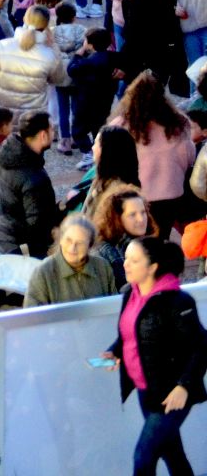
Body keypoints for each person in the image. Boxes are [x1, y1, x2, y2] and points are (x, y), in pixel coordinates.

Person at [103, 236, 206, 476]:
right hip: (145, 389)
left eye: (134, 260)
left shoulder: (177, 301)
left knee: (143, 456)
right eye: (126, 258)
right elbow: (129, 335)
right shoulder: (130, 295)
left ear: (152, 267)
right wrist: (115, 352)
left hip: (172, 394)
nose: (126, 264)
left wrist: (183, 386)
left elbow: (201, 345)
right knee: (172, 452)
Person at [119, 71, 197, 237]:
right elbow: (190, 156)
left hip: (135, 196)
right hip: (170, 194)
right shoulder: (179, 123)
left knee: (135, 240)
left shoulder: (121, 125)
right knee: (161, 236)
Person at [0, 5, 69, 116]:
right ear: (46, 25)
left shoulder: (1, 46)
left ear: (25, 19)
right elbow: (58, 79)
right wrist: (53, 46)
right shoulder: (50, 55)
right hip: (33, 119)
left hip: (1, 118)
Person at [0, 110, 58, 259]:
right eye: (52, 130)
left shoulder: (4, 155)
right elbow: (38, 225)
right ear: (43, 135)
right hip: (24, 250)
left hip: (3, 236)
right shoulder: (34, 177)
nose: (54, 134)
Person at [24, 213, 117, 307]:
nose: (72, 248)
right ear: (60, 240)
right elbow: (32, 314)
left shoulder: (102, 267)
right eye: (68, 240)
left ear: (90, 245)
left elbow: (114, 307)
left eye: (80, 243)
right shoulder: (43, 272)